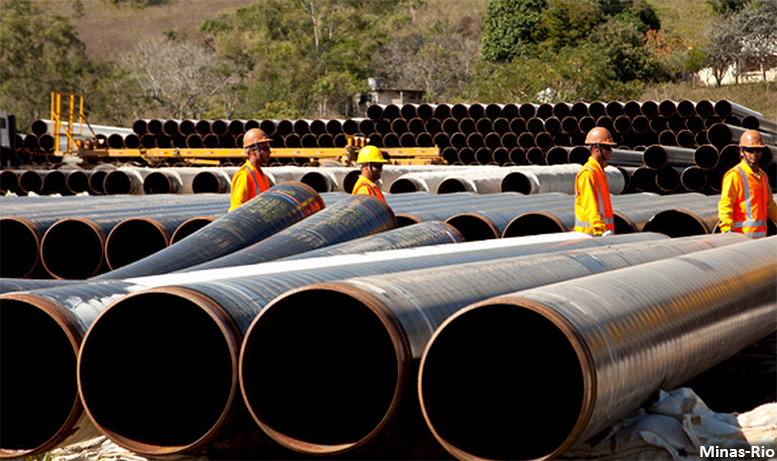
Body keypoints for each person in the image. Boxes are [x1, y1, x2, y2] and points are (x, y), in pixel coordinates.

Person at [718, 129, 777, 238]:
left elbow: (769, 205)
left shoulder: (762, 176)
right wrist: (727, 231)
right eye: (750, 150)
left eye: (757, 150)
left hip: (760, 239)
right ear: (741, 151)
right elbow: (726, 205)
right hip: (741, 239)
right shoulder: (735, 175)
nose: (754, 154)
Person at [574, 127, 616, 236]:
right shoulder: (588, 173)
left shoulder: (599, 172)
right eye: (607, 147)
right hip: (591, 234)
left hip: (599, 233)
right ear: (595, 148)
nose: (611, 151)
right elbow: (589, 204)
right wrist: (601, 229)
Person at [229, 128, 272, 212]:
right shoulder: (244, 175)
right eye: (265, 148)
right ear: (253, 151)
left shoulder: (261, 174)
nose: (269, 152)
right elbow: (236, 210)